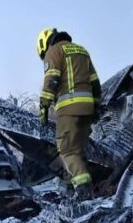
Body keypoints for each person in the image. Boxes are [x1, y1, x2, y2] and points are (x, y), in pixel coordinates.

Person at [35, 28, 101, 200]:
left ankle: (83, 191)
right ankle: (71, 189)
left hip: (68, 107)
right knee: (78, 151)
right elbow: (95, 82)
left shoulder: (54, 51)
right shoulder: (81, 50)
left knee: (67, 151)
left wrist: (44, 105)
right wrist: (96, 106)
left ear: (44, 45)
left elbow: (52, 80)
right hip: (88, 109)